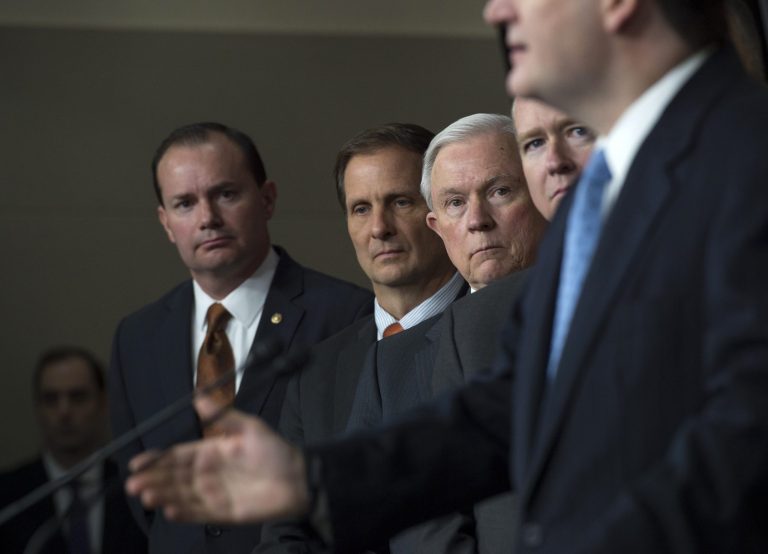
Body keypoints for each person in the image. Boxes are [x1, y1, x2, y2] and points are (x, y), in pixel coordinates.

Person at [126, 1, 768, 552]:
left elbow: (745, 437)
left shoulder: (745, 157)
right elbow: (509, 409)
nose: (495, 10)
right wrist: (311, 480)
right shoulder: (603, 195)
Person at [109, 122, 373, 553]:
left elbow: (358, 476)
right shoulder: (136, 337)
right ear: (165, 222)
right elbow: (140, 496)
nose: (207, 218)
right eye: (184, 203)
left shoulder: (347, 315)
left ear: (267, 199)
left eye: (226, 194)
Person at [348, 109, 592, 554]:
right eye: (455, 203)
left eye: (500, 191)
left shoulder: (600, 309)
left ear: (542, 194)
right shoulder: (392, 366)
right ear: (437, 228)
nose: (477, 219)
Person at [257, 123, 463, 552]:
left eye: (400, 202)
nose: (379, 228)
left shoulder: (489, 335)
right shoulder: (314, 372)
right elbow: (286, 535)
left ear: (440, 210)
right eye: (361, 209)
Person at [0, 347, 146, 554]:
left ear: (103, 402)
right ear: (38, 407)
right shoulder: (8, 496)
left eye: (78, 397)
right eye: (51, 399)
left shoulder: (135, 488)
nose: (64, 412)